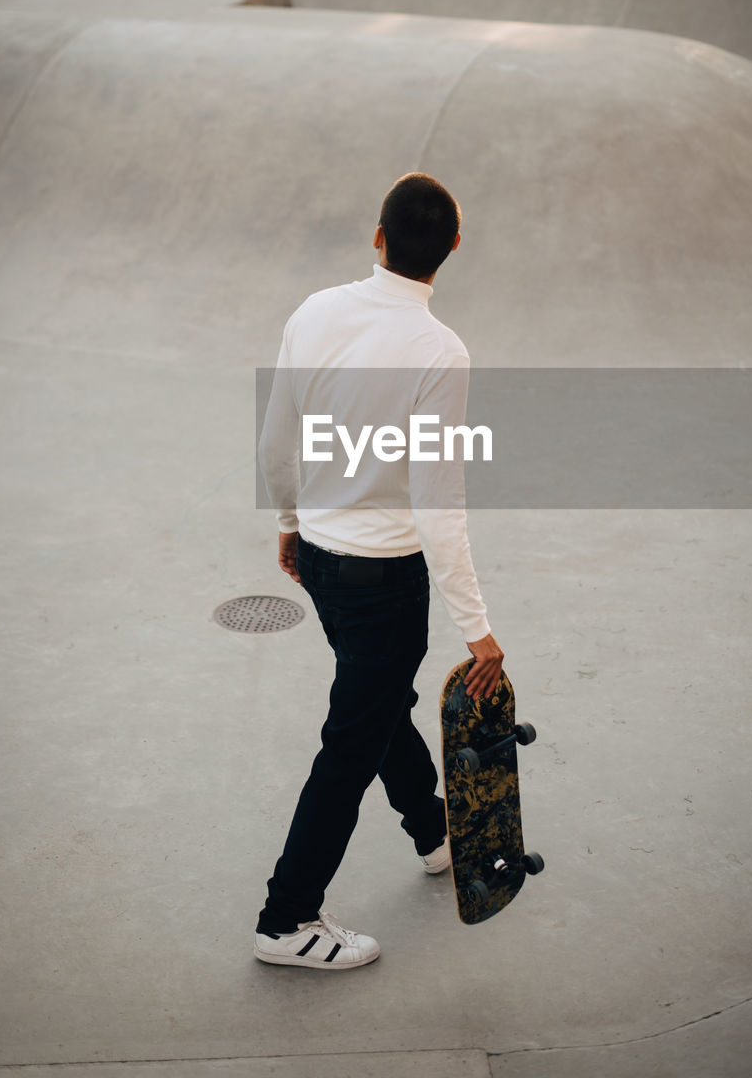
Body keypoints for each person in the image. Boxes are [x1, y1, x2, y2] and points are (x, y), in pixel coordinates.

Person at [255, 172, 504, 970]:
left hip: (325, 563)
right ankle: (286, 919)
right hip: (386, 581)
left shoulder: (316, 311)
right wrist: (479, 632)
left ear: (376, 235)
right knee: (351, 741)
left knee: (375, 699)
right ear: (453, 250)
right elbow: (438, 501)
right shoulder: (439, 350)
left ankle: (432, 830)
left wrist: (292, 524)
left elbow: (275, 440)